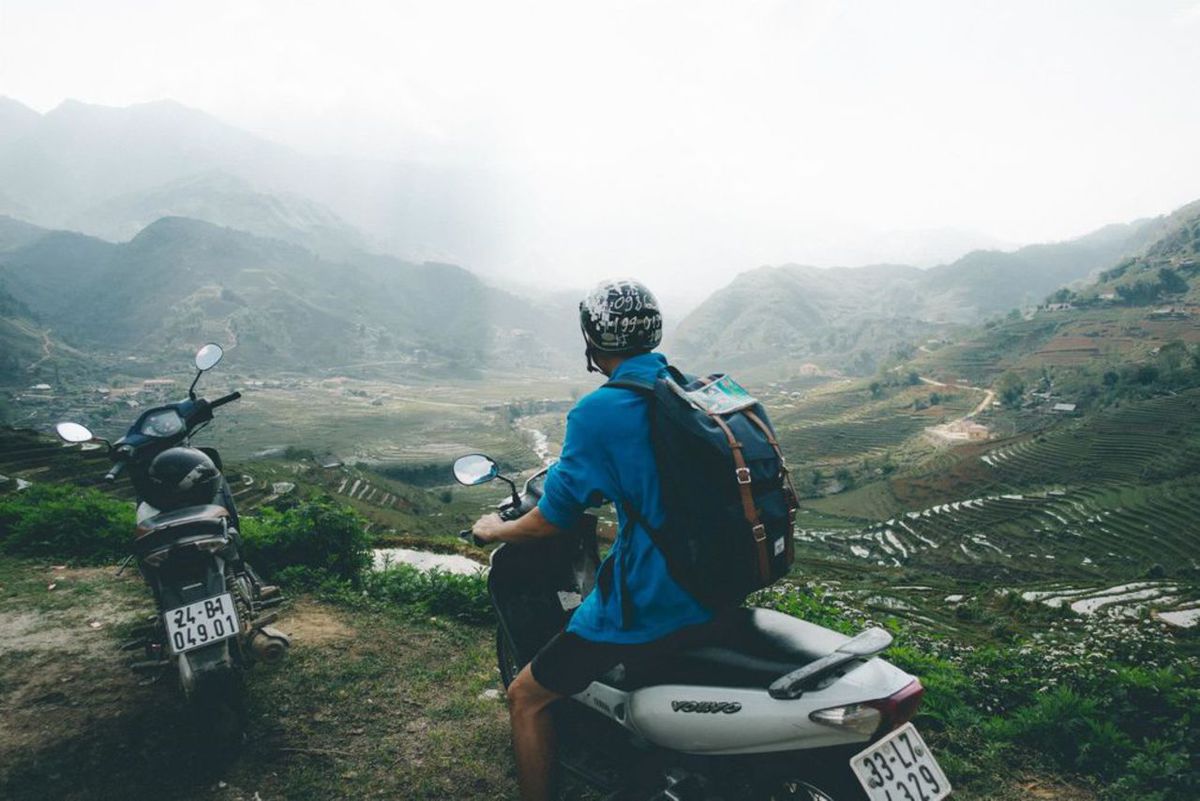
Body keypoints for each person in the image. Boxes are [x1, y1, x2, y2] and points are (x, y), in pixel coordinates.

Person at [471, 279, 713, 801]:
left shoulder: (600, 411)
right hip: (712, 583)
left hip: (648, 601)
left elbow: (548, 521)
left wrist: (494, 529)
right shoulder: (688, 391)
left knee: (525, 697)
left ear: (591, 339)